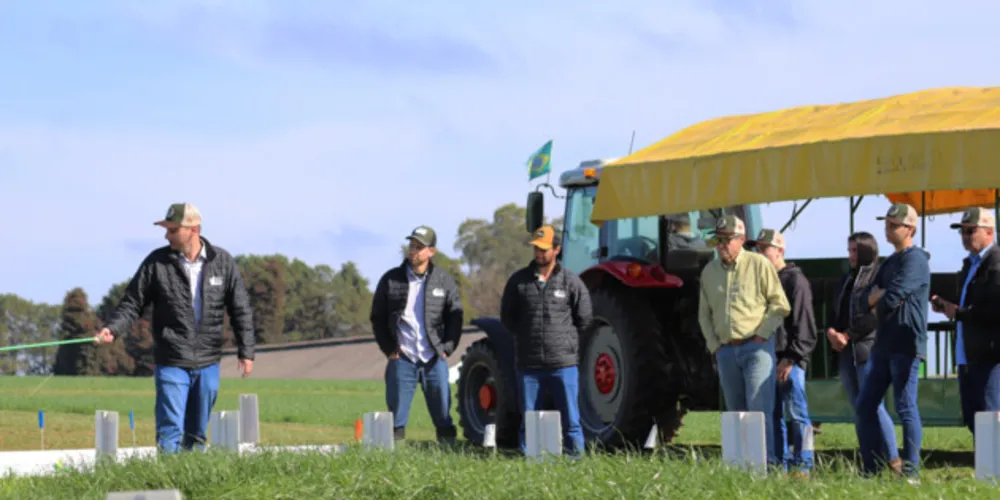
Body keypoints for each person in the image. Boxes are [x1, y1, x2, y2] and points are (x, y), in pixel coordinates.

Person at [94, 203, 256, 453]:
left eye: (172, 230)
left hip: (208, 360)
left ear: (193, 229)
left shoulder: (222, 262)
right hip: (171, 360)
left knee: (197, 433)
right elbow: (132, 302)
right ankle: (167, 483)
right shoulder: (156, 263)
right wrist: (113, 329)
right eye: (166, 230)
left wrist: (246, 351)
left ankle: (191, 486)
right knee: (170, 431)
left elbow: (240, 308)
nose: (166, 235)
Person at [698, 215, 790, 467]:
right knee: (735, 413)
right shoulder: (709, 271)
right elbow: (703, 314)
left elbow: (779, 304)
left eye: (727, 240)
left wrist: (762, 333)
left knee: (759, 413)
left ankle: (765, 466)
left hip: (757, 348)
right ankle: (740, 467)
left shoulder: (759, 264)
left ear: (740, 239)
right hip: (726, 351)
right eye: (718, 240)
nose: (721, 245)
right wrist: (715, 345)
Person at [500, 224, 592, 457]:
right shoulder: (518, 281)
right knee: (529, 419)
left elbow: (584, 318)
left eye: (544, 249)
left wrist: (565, 341)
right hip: (529, 365)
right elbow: (507, 318)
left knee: (571, 419)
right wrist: (525, 336)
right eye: (536, 249)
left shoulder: (571, 282)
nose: (539, 254)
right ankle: (531, 460)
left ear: (557, 249)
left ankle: (576, 461)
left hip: (564, 364)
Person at [856, 202, 930, 481]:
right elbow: (865, 299)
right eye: (886, 223)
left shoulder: (916, 260)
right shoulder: (889, 262)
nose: (887, 228)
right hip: (883, 344)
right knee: (865, 405)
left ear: (910, 228)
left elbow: (889, 297)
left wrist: (879, 296)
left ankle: (910, 472)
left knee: (905, 406)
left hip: (905, 345)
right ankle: (870, 469)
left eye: (893, 224)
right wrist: (878, 297)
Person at [370, 225, 464, 443]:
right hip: (402, 357)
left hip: (434, 357)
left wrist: (447, 348)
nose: (413, 251)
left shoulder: (444, 280)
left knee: (442, 412)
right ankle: (391, 457)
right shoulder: (391, 279)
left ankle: (449, 453)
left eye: (419, 247)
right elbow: (377, 316)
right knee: (396, 417)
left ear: (431, 252)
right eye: (411, 246)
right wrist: (389, 349)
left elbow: (455, 316)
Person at [826, 231, 901, 471]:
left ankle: (892, 459)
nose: (850, 255)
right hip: (846, 351)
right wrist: (831, 332)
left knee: (873, 404)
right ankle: (870, 462)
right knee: (859, 407)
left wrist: (848, 334)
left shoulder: (878, 277)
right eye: (849, 250)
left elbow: (876, 316)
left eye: (855, 250)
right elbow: (835, 313)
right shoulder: (847, 280)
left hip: (869, 348)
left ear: (867, 250)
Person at [746, 228, 817, 475]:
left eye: (765, 248)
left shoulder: (795, 280)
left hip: (789, 361)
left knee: (798, 415)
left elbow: (805, 327)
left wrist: (790, 359)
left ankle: (805, 466)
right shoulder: (760, 282)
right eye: (757, 248)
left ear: (780, 250)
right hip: (766, 358)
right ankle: (778, 464)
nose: (760, 253)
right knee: (773, 416)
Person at [930, 207, 1000, 435]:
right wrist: (948, 306)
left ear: (989, 232)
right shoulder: (971, 264)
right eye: (962, 232)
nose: (965, 237)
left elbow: (993, 310)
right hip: (969, 353)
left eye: (971, 231)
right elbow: (971, 305)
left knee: (990, 415)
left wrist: (958, 312)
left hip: (991, 355)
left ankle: (993, 468)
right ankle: (985, 467)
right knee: (973, 415)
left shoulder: (996, 263)